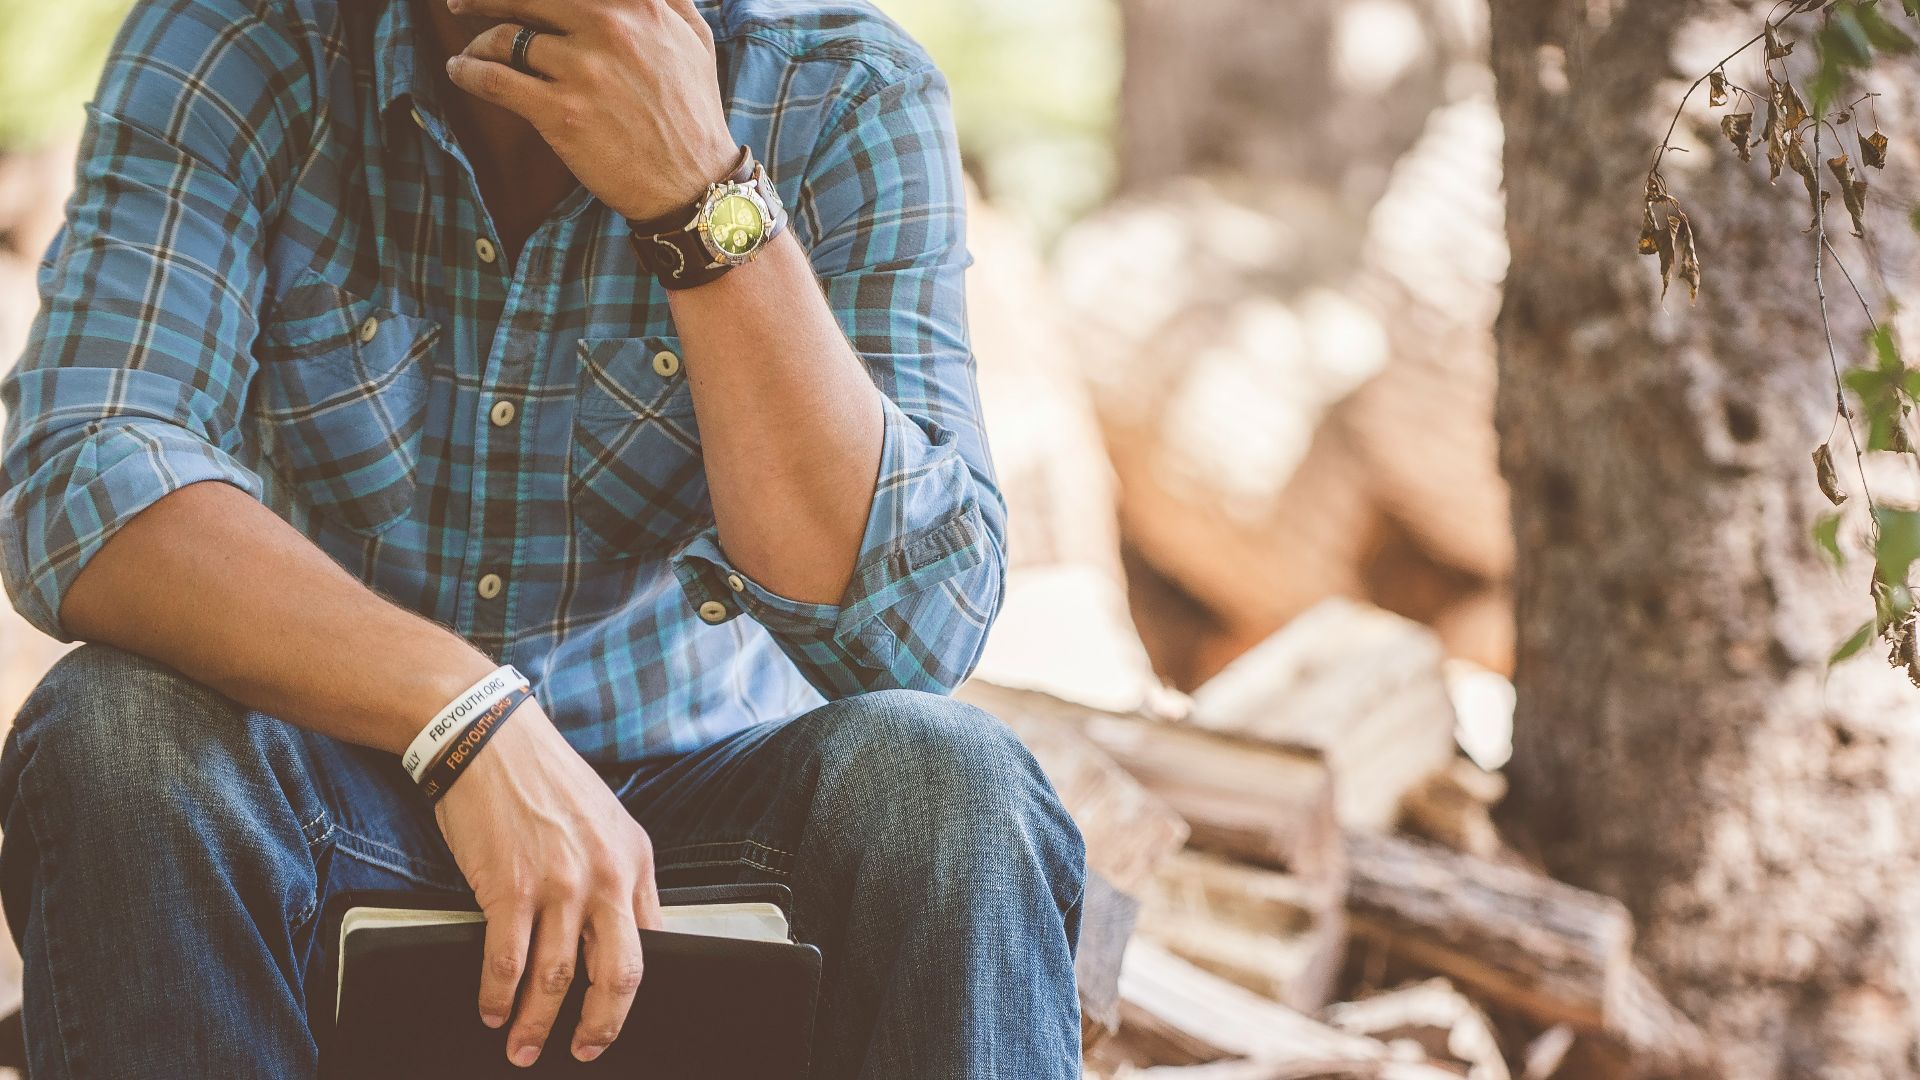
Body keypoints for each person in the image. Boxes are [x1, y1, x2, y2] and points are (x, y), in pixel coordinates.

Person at [0, 0, 1086, 1075]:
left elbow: (913, 632)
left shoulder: (841, 85)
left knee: (952, 786)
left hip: (702, 849)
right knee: (116, 730)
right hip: (333, 819)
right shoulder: (240, 41)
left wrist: (701, 198)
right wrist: (461, 715)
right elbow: (81, 472)